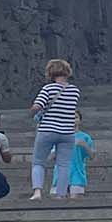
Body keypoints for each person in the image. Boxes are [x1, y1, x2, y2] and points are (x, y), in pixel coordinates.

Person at [30, 59, 82, 201]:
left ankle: (37, 192)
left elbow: (37, 106)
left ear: (50, 72)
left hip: (47, 129)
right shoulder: (75, 90)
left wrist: (33, 112)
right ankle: (61, 194)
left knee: (38, 162)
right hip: (67, 132)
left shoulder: (48, 89)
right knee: (64, 165)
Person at [67, 129, 94, 199]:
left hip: (78, 176)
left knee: (75, 203)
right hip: (59, 175)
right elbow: (50, 156)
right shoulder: (59, 135)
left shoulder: (85, 137)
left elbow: (92, 156)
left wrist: (85, 145)